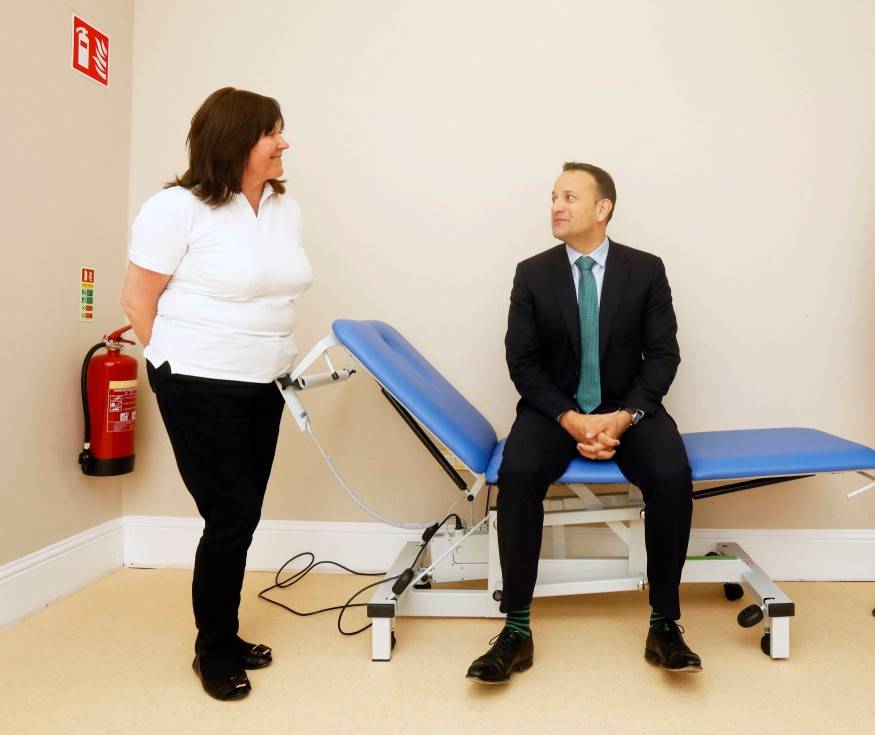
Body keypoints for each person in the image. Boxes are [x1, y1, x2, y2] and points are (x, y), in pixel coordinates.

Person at [466, 162, 699, 684]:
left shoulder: (646, 270)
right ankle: (516, 630)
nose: (555, 206)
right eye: (553, 196)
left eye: (569, 197)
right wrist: (570, 420)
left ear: (602, 209)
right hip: (553, 412)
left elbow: (663, 357)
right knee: (519, 474)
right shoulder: (532, 273)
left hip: (629, 410)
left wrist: (623, 418)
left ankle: (665, 624)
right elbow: (521, 363)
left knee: (670, 474)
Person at [120, 87, 313, 700]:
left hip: (267, 383)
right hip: (199, 382)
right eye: (271, 132)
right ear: (233, 140)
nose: (284, 143)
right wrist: (169, 365)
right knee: (229, 516)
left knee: (242, 515)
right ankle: (212, 648)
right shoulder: (175, 208)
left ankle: (225, 636)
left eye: (281, 130)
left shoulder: (283, 209)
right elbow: (136, 300)